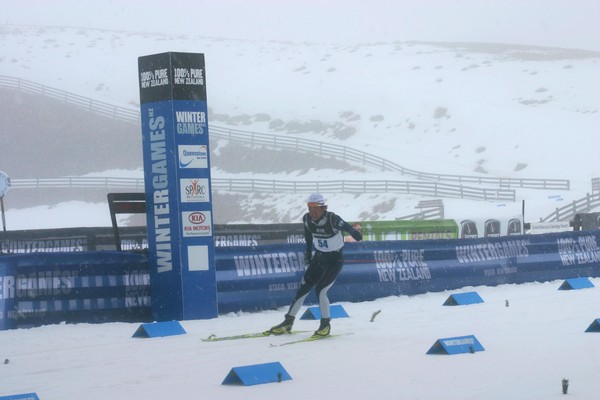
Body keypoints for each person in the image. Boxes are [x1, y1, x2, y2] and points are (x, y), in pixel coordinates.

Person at [267, 193, 363, 337]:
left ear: (323, 207)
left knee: (321, 290)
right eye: (309, 207)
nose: (311, 211)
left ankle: (325, 325)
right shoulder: (307, 218)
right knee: (304, 287)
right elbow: (308, 236)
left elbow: (351, 230)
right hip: (319, 258)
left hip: (334, 260)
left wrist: (355, 234)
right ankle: (288, 322)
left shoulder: (332, 219)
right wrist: (307, 252)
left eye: (314, 207)